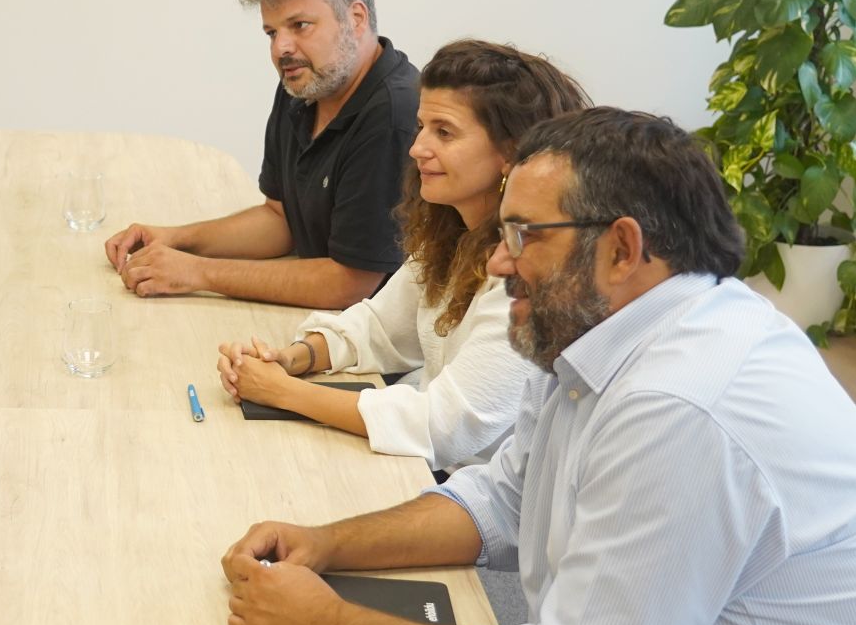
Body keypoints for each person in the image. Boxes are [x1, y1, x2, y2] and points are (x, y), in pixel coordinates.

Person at [219, 108, 856, 625]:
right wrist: (329, 544)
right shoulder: (611, 339)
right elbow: (502, 499)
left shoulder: (685, 403)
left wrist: (328, 624)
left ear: (622, 247)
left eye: (524, 236)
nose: (496, 265)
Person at [216, 40, 589, 472]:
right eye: (421, 127)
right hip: (425, 472)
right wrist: (294, 358)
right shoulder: (453, 231)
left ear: (510, 152)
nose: (416, 149)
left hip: (469, 502)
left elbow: (445, 429)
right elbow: (380, 327)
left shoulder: (529, 272)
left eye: (444, 132)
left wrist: (283, 392)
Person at [105, 0, 419, 308]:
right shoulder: (305, 84)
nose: (280, 48)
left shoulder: (394, 114)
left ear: (355, 18)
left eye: (299, 25)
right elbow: (281, 220)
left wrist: (197, 272)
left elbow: (350, 283)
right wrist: (174, 239)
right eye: (272, 32)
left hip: (379, 355)